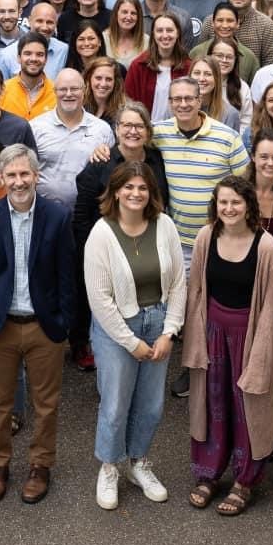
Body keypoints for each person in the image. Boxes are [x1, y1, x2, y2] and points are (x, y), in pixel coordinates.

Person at [0, 145, 75, 505]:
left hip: (43, 327)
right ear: (1, 177)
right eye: (11, 175)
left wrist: (62, 324)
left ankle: (40, 466)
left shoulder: (57, 217)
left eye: (24, 174)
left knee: (46, 403)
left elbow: (67, 276)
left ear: (36, 175)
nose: (18, 181)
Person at [181, 177, 273, 514]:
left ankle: (245, 480)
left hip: (250, 335)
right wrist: (194, 337)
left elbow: (272, 307)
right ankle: (209, 473)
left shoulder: (266, 246)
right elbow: (197, 291)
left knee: (247, 408)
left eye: (236, 203)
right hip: (212, 331)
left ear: (248, 206)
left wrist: (261, 354)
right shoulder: (206, 236)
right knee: (213, 404)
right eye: (223, 202)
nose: (228, 209)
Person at [82, 159, 184, 509]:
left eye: (142, 187)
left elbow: (178, 283)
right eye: (129, 187)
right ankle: (110, 466)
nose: (136, 193)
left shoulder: (165, 225)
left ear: (151, 192)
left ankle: (138, 462)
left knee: (151, 405)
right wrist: (130, 342)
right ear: (116, 191)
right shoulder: (102, 232)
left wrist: (170, 331)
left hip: (157, 324)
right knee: (114, 404)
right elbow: (99, 299)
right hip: (117, 329)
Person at [150, 78, 247, 277]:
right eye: (177, 99)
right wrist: (102, 150)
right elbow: (129, 144)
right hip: (179, 244)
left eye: (188, 98)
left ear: (199, 100)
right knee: (184, 302)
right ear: (169, 102)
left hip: (221, 239)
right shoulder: (158, 133)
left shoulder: (227, 137)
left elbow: (246, 185)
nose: (183, 104)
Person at [31, 67, 114, 205]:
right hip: (45, 214)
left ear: (84, 90)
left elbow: (110, 174)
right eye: (63, 89)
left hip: (88, 214)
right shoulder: (35, 127)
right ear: (54, 92)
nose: (68, 94)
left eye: (74, 89)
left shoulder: (102, 129)